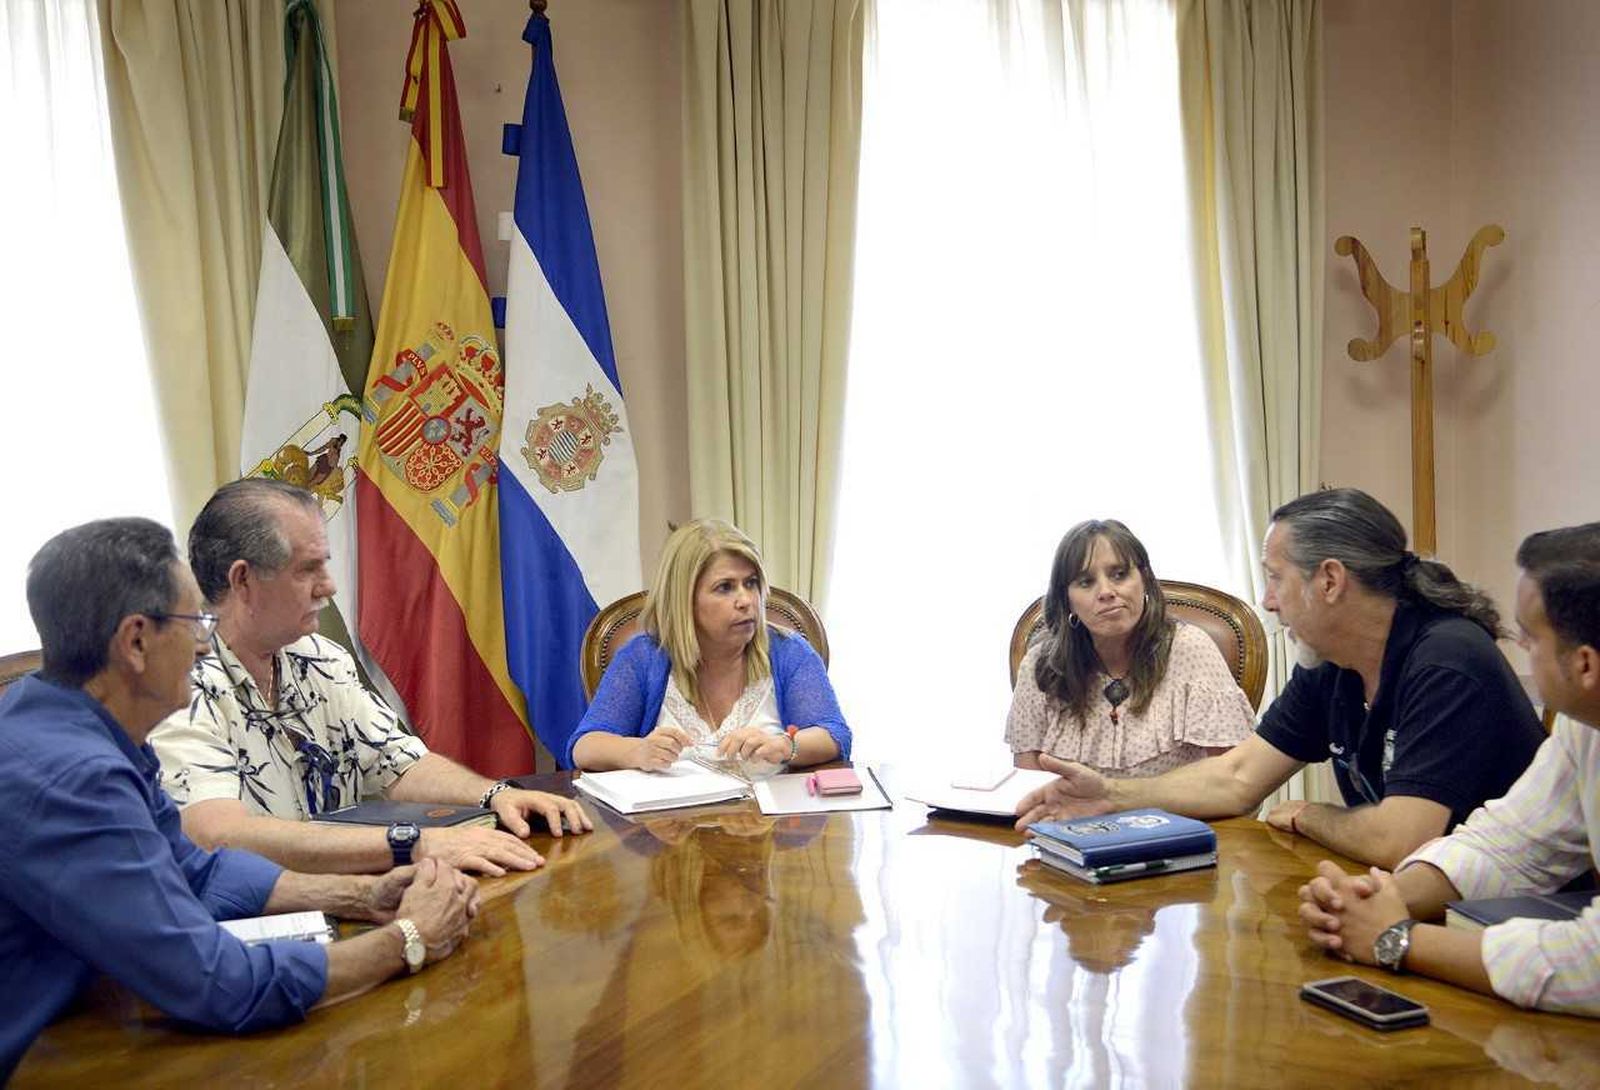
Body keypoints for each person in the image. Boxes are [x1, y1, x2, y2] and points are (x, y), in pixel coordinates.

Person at [0, 519, 477, 1078]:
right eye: (194, 621)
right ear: (135, 641)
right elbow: (216, 984)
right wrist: (409, 939)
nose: (204, 642)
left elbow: (195, 872)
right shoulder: (72, 779)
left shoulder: (65, 722)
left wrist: (362, 895)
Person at [1016, 488, 1545, 869]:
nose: (1268, 600)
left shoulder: (1447, 661)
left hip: (1507, 915)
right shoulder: (1330, 662)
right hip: (1415, 895)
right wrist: (1110, 795)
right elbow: (1237, 777)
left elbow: (1399, 838)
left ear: (1330, 580)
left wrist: (1311, 815)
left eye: (1275, 578)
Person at [149, 479, 592, 879]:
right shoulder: (179, 684)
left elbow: (399, 763)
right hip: (257, 923)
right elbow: (220, 836)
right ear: (243, 579)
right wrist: (413, 845)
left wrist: (495, 795)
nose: (329, 586)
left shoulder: (318, 657)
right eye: (308, 569)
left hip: (348, 891)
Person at [1298, 522, 1600, 1017]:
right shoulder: (1585, 723)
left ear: (1584, 665)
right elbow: (1510, 845)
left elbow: (1591, 964)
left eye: (1529, 638)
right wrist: (1380, 897)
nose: (1519, 649)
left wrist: (1397, 940)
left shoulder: (1449, 655)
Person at [569, 518, 850, 772]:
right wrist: (636, 751)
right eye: (725, 587)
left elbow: (834, 734)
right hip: (668, 825)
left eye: (751, 583)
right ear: (685, 599)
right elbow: (585, 747)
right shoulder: (643, 657)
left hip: (770, 824)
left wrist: (786, 745)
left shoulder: (788, 651)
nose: (746, 600)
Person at [1007, 519, 1255, 776]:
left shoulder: (1191, 649)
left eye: (1119, 575)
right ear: (1067, 601)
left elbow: (1235, 780)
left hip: (1179, 816)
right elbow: (1029, 791)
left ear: (1145, 580)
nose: (1105, 592)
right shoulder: (1042, 666)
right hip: (1065, 816)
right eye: (1085, 582)